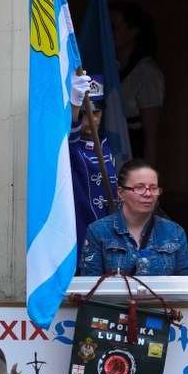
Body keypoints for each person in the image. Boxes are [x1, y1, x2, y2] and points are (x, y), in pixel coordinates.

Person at [79, 158, 188, 276]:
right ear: (120, 193)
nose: (148, 194)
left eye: (153, 188)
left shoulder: (175, 233)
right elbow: (91, 282)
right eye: (139, 187)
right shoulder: (98, 232)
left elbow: (185, 282)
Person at [109, 1, 164, 166]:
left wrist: (147, 177)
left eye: (114, 28)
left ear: (132, 32)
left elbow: (151, 134)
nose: (109, 33)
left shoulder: (146, 73)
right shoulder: (113, 67)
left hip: (133, 155)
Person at [69, 74, 118, 248]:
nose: (93, 118)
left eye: (96, 111)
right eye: (85, 113)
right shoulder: (72, 148)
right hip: (82, 234)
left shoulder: (105, 147)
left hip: (109, 235)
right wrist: (75, 107)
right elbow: (71, 141)